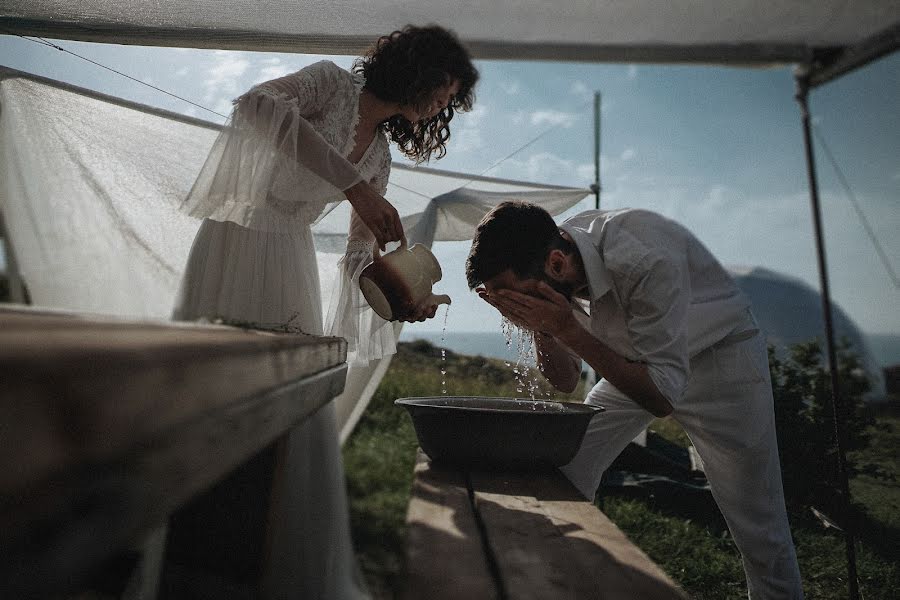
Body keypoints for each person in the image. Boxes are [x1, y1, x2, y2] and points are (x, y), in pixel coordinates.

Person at [170, 24, 478, 599]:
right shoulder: (330, 86)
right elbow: (256, 105)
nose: (443, 107)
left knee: (285, 405)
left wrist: (404, 294)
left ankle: (260, 561)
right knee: (209, 389)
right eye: (444, 93)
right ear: (422, 73)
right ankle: (192, 553)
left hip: (290, 258)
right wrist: (354, 186)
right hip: (236, 239)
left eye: (449, 102)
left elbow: (359, 257)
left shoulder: (381, 157)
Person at [466, 201, 803, 600]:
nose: (517, 309)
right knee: (567, 462)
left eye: (520, 299)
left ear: (557, 264)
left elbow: (660, 398)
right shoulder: (547, 258)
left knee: (758, 524)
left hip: (721, 362)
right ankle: (551, 583)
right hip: (636, 364)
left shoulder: (642, 254)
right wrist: (542, 327)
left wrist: (565, 329)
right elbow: (565, 380)